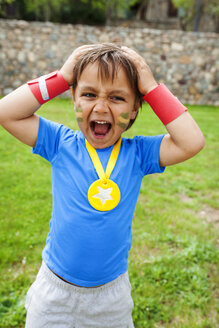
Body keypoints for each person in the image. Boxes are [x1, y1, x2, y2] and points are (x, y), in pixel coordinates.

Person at [0, 43, 205, 328]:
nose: (100, 106)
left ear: (134, 109)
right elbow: (6, 112)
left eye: (117, 98)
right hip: (54, 293)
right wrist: (61, 77)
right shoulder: (60, 143)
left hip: (111, 298)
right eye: (88, 94)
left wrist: (150, 87)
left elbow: (192, 141)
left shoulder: (138, 154)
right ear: (73, 98)